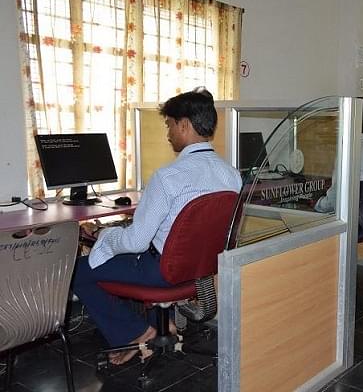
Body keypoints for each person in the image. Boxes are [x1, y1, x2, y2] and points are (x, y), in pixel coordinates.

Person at [72, 88, 242, 365]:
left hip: (162, 273)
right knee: (148, 249)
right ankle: (163, 325)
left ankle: (137, 332)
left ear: (183, 125)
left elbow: (136, 241)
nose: (168, 133)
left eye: (169, 124)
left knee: (78, 271)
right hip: (201, 270)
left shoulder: (167, 177)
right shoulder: (231, 175)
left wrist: (105, 235)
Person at [314, 98, 363, 213]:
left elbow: (334, 201)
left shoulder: (348, 154)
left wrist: (317, 204)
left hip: (351, 219)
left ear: (349, 121)